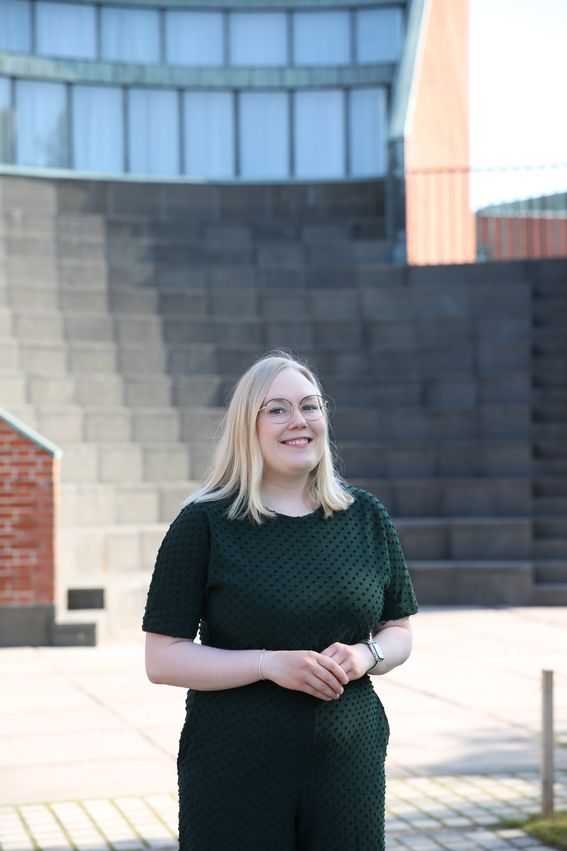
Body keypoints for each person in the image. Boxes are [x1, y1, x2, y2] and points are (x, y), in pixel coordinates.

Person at [142, 350, 418, 851]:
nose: (299, 421)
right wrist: (268, 665)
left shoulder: (366, 516)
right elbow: (162, 659)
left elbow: (398, 631)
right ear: (247, 426)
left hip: (348, 766)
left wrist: (365, 655)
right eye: (277, 409)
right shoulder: (203, 523)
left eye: (310, 406)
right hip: (235, 767)